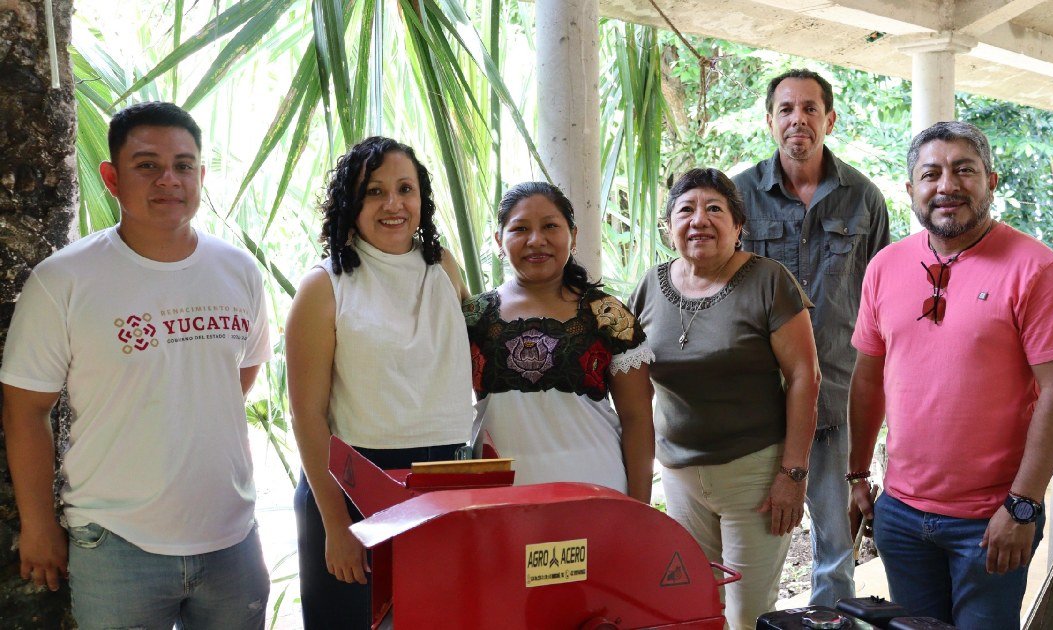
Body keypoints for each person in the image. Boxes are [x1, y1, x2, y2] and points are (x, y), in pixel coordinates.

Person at [0, 102, 271, 628]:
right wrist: (37, 526)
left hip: (231, 540)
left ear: (201, 175)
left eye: (184, 165)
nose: (169, 179)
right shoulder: (65, 281)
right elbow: (24, 411)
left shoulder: (238, 271)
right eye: (147, 165)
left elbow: (237, 376)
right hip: (117, 544)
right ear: (112, 178)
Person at [847, 121, 1053, 629]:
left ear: (991, 181)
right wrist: (856, 475)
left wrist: (1022, 506)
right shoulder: (885, 267)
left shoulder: (1037, 269)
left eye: (964, 170)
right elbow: (868, 378)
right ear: (911, 188)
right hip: (902, 516)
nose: (947, 185)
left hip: (991, 518)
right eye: (930, 173)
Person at [285, 137, 474, 629]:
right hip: (352, 487)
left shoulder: (445, 268)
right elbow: (306, 415)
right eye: (374, 191)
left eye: (405, 189)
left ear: (422, 200)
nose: (393, 204)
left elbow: (479, 350)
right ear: (351, 202)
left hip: (443, 483)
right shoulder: (324, 286)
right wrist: (335, 525)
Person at [629, 168, 821, 629]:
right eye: (686, 209)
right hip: (679, 477)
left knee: (748, 611)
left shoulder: (769, 280)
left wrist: (792, 474)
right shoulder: (649, 286)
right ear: (668, 227)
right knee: (693, 605)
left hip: (754, 474)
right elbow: (627, 377)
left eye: (715, 209)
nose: (700, 220)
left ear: (738, 227)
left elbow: (804, 377)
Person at [732, 68, 890, 607]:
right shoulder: (738, 195)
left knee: (834, 541)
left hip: (837, 395)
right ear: (769, 120)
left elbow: (880, 301)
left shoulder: (864, 200)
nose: (797, 119)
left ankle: (831, 620)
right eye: (785, 109)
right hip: (756, 397)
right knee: (755, 538)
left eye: (809, 108)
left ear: (830, 119)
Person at [464, 181, 654, 501]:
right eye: (520, 228)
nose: (536, 240)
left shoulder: (609, 316)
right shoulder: (471, 317)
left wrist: (638, 510)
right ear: (499, 240)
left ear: (573, 236)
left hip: (597, 493)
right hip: (498, 502)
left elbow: (637, 420)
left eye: (550, 226)